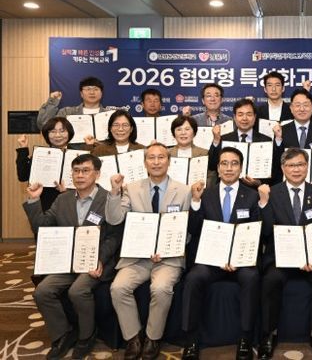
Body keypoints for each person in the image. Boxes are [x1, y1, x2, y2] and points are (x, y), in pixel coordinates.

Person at [23, 154, 122, 360]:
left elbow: (114, 237)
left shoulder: (108, 199)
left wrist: (100, 259)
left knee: (78, 291)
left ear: (97, 174)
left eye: (85, 171)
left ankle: (86, 335)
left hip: (96, 262)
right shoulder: (63, 199)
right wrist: (34, 199)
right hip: (67, 262)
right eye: (76, 171)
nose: (80, 175)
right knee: (42, 291)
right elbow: (42, 227)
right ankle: (63, 334)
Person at [105, 143, 195, 360]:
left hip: (168, 259)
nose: (156, 162)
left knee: (161, 288)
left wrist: (166, 248)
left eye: (161, 157)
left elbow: (187, 230)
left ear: (169, 161)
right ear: (144, 163)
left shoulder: (184, 191)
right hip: (138, 258)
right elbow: (114, 219)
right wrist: (115, 191)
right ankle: (133, 337)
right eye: (151, 158)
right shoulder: (131, 188)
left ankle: (153, 338)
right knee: (118, 287)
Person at [181, 147, 261, 360]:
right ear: (217, 168)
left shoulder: (252, 196)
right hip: (211, 260)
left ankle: (245, 339)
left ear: (241, 168)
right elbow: (194, 230)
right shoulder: (205, 195)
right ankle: (191, 339)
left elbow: (256, 233)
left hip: (240, 261)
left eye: (234, 163)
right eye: (224, 163)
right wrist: (195, 202)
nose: (229, 168)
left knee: (252, 277)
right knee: (194, 278)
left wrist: (236, 258)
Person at [257, 148, 312, 360]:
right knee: (271, 279)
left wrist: (310, 257)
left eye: (300, 164)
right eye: (291, 165)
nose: (296, 169)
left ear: (307, 167)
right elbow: (266, 232)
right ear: (283, 168)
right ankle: (269, 334)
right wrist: (263, 204)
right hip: (281, 258)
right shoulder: (272, 193)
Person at [208, 99, 272, 188]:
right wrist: (216, 141)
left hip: (254, 190)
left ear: (254, 117)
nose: (244, 118)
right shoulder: (224, 139)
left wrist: (258, 182)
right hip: (228, 188)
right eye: (240, 114)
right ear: (234, 117)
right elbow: (212, 165)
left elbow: (272, 171)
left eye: (249, 114)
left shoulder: (266, 140)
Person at [16, 117, 77, 211]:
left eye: (62, 131)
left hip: (74, 205)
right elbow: (23, 176)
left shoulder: (78, 155)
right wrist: (23, 148)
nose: (58, 135)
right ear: (47, 134)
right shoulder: (41, 154)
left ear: (69, 133)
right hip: (47, 205)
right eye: (52, 131)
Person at [37, 76, 115, 129]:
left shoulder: (110, 114)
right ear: (81, 94)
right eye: (88, 89)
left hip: (103, 149)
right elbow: (44, 125)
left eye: (96, 89)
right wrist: (52, 102)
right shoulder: (67, 112)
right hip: (74, 149)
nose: (92, 92)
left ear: (101, 93)